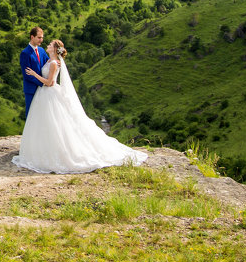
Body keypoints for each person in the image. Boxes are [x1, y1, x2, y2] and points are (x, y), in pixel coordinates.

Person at [14, 39, 147, 174]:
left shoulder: (54, 63)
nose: (47, 45)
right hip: (43, 95)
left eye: (50, 44)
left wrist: (35, 74)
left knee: (55, 123)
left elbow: (50, 83)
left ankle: (58, 152)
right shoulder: (49, 61)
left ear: (55, 49)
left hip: (49, 93)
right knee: (47, 124)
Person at [19, 26, 48, 119]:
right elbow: (27, 75)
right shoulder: (25, 53)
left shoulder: (42, 50)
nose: (41, 40)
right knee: (31, 114)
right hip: (31, 89)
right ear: (32, 37)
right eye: (39, 37)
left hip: (43, 89)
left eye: (42, 37)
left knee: (42, 114)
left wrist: (57, 62)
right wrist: (42, 82)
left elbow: (48, 64)